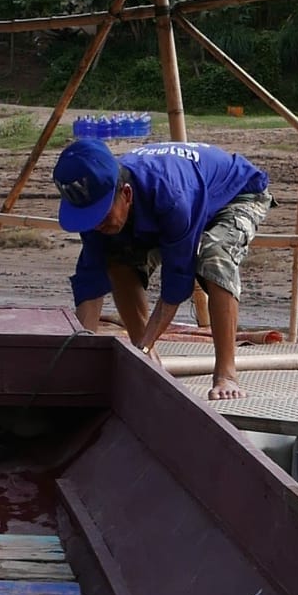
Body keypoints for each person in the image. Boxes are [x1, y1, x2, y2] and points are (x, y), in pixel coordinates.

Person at [53, 131, 269, 402]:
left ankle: (225, 372)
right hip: (171, 200)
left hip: (234, 194)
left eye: (102, 216)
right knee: (116, 259)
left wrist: (143, 348)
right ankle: (146, 357)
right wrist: (80, 358)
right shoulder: (97, 206)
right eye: (88, 218)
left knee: (215, 257)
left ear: (126, 194)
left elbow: (176, 283)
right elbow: (91, 278)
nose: (97, 225)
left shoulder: (172, 197)